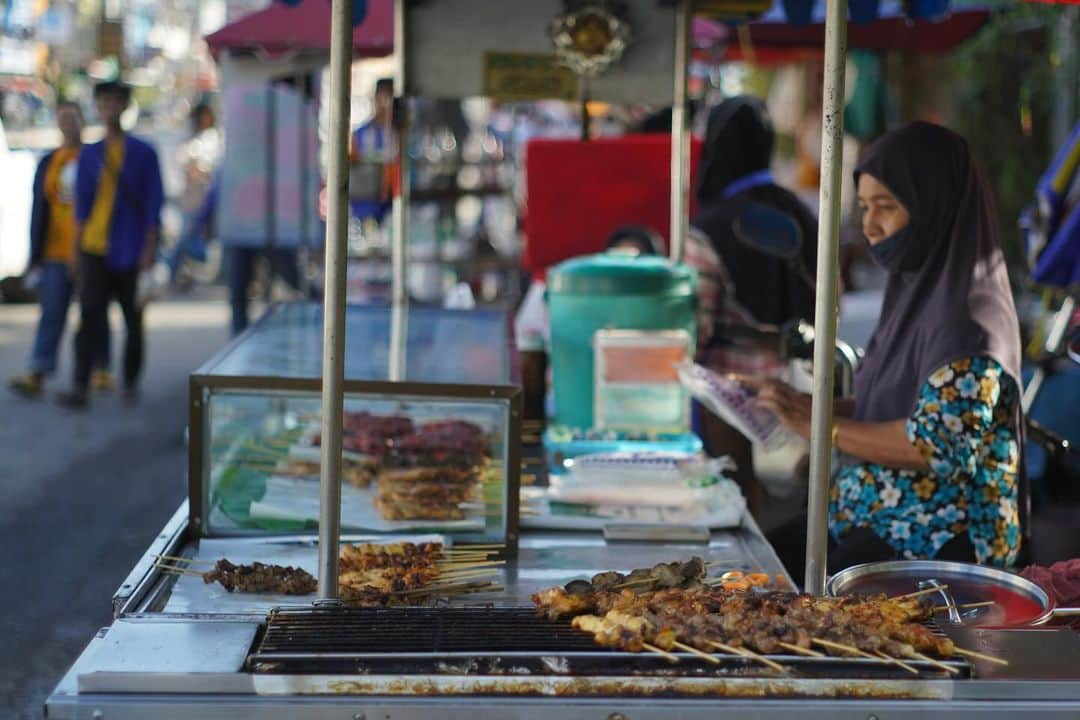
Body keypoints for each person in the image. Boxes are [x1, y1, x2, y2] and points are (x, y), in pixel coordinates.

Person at [758, 122, 1023, 577]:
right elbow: (897, 400)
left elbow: (938, 447)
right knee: (748, 567)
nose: (870, 226)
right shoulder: (917, 292)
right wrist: (799, 406)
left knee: (788, 598)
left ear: (933, 207)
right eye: (863, 207)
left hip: (939, 544)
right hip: (872, 516)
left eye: (887, 207)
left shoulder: (971, 320)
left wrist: (823, 426)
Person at [684, 96, 819, 516]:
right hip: (803, 391)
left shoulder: (708, 228)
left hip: (731, 400)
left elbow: (696, 327)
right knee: (793, 517)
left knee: (738, 515)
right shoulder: (804, 213)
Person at [56, 81, 164, 408]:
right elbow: (81, 207)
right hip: (93, 247)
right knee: (89, 317)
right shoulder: (89, 154)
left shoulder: (144, 153)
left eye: (115, 101)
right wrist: (75, 253)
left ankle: (129, 382)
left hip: (130, 249)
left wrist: (148, 250)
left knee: (133, 320)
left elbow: (152, 206)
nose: (109, 108)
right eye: (103, 102)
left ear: (124, 106)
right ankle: (80, 385)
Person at [8, 102, 112, 398]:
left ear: (83, 122)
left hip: (89, 249)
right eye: (63, 119)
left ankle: (101, 369)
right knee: (51, 311)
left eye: (73, 119)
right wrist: (34, 256)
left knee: (93, 312)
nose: (68, 124)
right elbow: (39, 210)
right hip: (54, 251)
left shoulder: (94, 158)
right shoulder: (49, 162)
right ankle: (38, 371)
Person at [164, 101, 221, 282]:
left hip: (212, 201)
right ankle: (170, 273)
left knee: (203, 239)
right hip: (193, 200)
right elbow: (188, 166)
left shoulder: (214, 139)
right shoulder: (193, 142)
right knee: (184, 239)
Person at [349, 77, 395, 226]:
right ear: (375, 99)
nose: (385, 104)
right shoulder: (361, 133)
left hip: (393, 200)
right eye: (382, 98)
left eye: (389, 98)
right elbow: (352, 164)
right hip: (366, 202)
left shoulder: (399, 134)